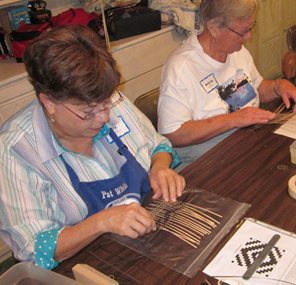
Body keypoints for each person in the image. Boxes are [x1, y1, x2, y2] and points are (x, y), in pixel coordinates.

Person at [0, 25, 185, 269]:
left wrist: (160, 167)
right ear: (49, 102)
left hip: (149, 244)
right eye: (88, 112)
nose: (104, 117)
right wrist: (102, 222)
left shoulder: (105, 102)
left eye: (107, 103)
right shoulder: (15, 151)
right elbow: (33, 249)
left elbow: (158, 146)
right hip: (85, 267)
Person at [157, 0, 296, 171]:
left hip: (245, 144)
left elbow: (256, 88)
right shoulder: (181, 68)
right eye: (242, 32)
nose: (248, 37)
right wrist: (234, 119)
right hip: (205, 163)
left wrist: (278, 86)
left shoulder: (236, 50)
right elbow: (173, 134)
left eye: (250, 28)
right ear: (213, 28)